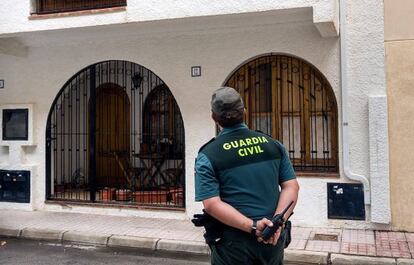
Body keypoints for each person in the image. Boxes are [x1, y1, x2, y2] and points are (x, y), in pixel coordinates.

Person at [194, 87, 300, 265]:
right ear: (244, 112)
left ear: (214, 117)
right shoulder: (272, 145)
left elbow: (212, 204)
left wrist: (253, 227)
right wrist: (276, 224)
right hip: (272, 239)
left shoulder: (208, 155)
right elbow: (291, 187)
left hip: (233, 245)